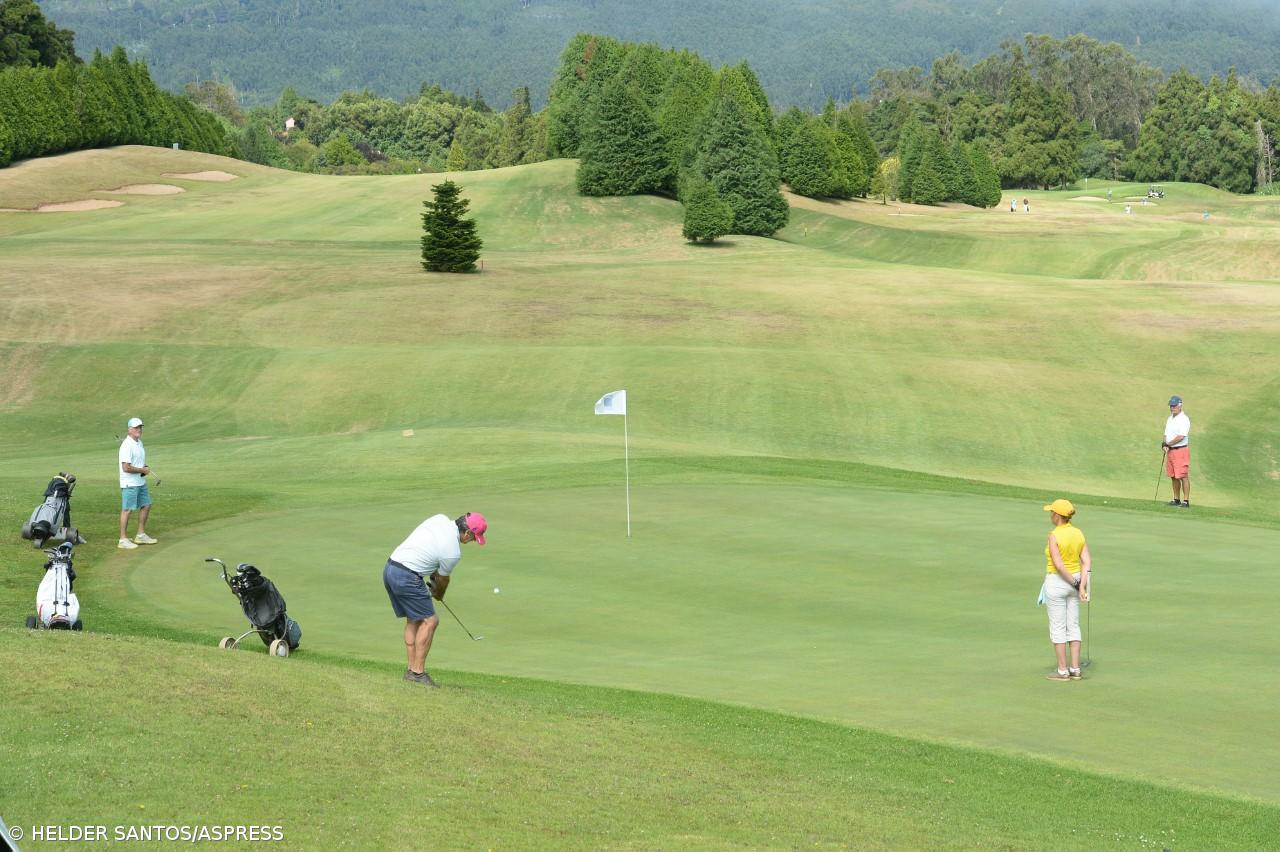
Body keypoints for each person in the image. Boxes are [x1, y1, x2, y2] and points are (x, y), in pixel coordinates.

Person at [382, 512, 487, 687]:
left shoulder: (439, 519)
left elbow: (430, 554)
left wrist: (432, 580)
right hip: (407, 576)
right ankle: (417, 672)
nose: (474, 541)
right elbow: (442, 579)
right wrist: (439, 594)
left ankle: (411, 670)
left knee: (415, 618)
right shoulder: (453, 552)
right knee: (431, 621)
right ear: (467, 532)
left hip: (391, 568)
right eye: (475, 538)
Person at [1041, 499, 1091, 681]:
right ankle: (1075, 668)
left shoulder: (1054, 535)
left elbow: (1059, 566)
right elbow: (1087, 562)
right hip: (1076, 580)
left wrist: (1076, 584)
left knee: (1058, 627)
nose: (1050, 515)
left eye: (1052, 512)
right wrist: (1081, 585)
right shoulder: (1078, 533)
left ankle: (1062, 671)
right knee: (1074, 625)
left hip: (1058, 582)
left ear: (1058, 515)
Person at [118, 417, 157, 549]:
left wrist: (143, 467)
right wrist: (142, 469)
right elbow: (126, 468)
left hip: (140, 481)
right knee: (127, 510)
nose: (138, 430)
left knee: (146, 505)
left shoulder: (139, 442)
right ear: (129, 430)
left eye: (140, 427)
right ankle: (123, 540)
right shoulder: (127, 445)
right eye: (135, 428)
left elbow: (136, 462)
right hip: (130, 483)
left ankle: (140, 535)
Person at [1163, 395, 1191, 507]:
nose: (1172, 407)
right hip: (1171, 451)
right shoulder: (1170, 418)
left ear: (1180, 406)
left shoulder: (1184, 419)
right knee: (1173, 475)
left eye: (1174, 405)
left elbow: (1181, 436)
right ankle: (1176, 499)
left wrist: (1168, 444)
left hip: (1181, 450)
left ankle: (1186, 501)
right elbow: (1166, 434)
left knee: (1183, 476)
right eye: (1171, 405)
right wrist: (1164, 444)